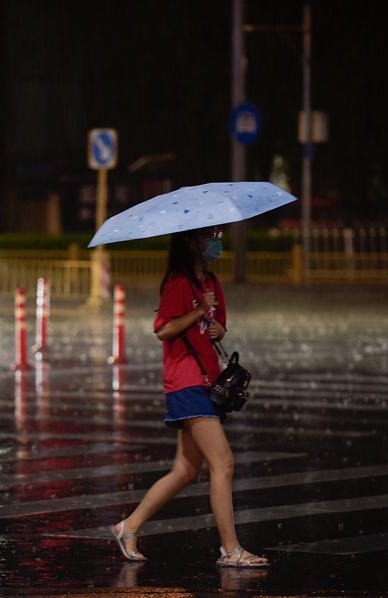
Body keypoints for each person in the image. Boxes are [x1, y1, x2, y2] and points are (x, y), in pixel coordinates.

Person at [111, 225, 269, 568]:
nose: (216, 242)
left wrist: (217, 327)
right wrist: (198, 312)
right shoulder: (178, 283)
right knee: (223, 462)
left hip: (208, 382)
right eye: (209, 236)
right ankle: (230, 549)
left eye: (218, 235)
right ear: (189, 241)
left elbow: (218, 326)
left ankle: (128, 527)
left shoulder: (211, 283)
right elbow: (163, 329)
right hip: (185, 383)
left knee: (185, 469)